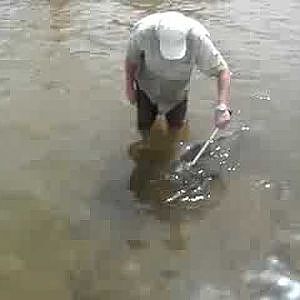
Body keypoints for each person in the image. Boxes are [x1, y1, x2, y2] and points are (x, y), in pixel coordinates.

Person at [125, 11, 231, 141]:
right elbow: (131, 60)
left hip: (177, 93)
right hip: (146, 88)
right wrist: (129, 87)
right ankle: (147, 146)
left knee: (176, 129)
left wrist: (222, 106)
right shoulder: (142, 33)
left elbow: (222, 70)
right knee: (143, 126)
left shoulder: (198, 38)